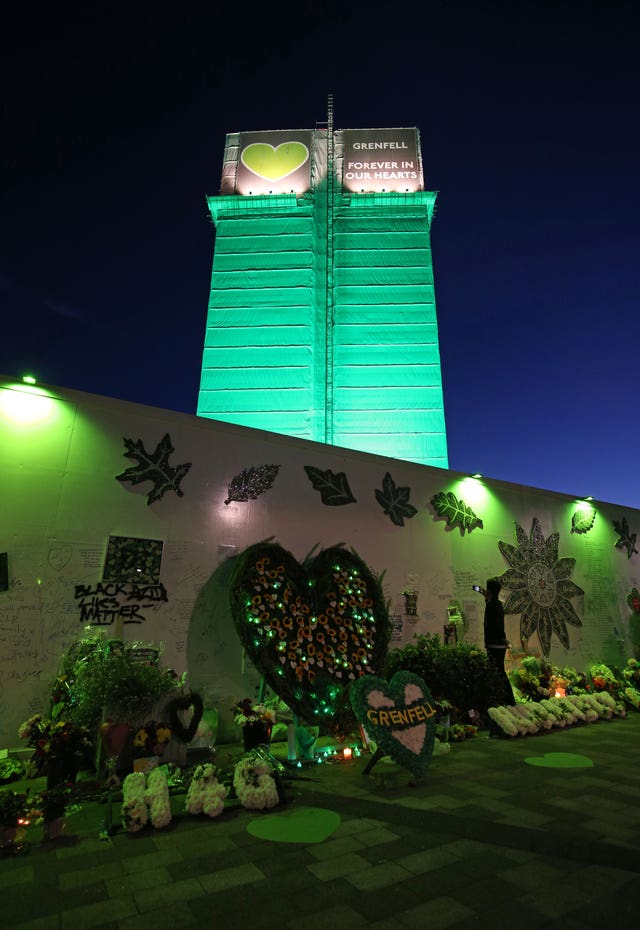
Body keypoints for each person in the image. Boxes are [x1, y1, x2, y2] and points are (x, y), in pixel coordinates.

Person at [482, 577, 516, 705]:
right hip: (499, 644)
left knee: (498, 672)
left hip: (494, 644)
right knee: (498, 671)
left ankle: (508, 700)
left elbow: (489, 625)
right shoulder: (498, 604)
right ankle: (503, 698)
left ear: (489, 590)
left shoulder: (492, 605)